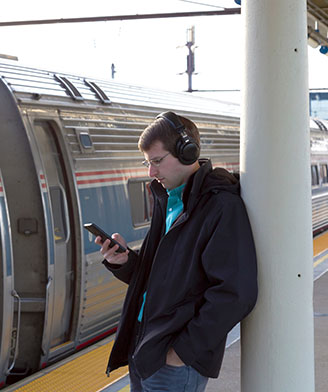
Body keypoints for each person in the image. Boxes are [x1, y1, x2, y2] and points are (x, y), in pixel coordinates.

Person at [94, 111, 258, 392]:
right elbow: (164, 276)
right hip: (145, 350)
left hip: (174, 361)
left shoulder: (220, 207)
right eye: (148, 163)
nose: (151, 172)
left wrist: (182, 353)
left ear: (187, 152)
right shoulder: (168, 200)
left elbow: (235, 293)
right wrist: (126, 262)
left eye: (157, 161)